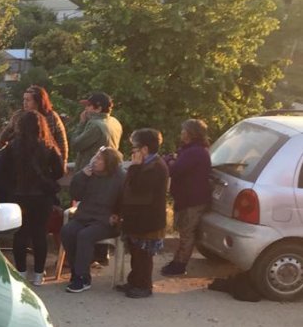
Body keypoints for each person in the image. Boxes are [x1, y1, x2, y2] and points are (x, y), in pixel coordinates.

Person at [0, 111, 64, 285]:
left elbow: (0, 171)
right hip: (42, 197)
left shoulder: (12, 146)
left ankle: (21, 272)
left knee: (21, 234)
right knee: (39, 234)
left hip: (18, 196)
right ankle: (39, 275)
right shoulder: (48, 145)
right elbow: (59, 171)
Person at [113, 128, 169, 299]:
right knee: (136, 253)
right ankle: (134, 281)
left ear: (145, 149)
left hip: (148, 220)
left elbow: (139, 188)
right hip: (136, 219)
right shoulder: (146, 164)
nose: (133, 153)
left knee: (144, 255)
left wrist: (135, 167)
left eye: (135, 149)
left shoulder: (155, 167)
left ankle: (144, 285)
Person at [62, 146, 126, 293]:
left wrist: (118, 215)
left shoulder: (120, 177)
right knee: (68, 231)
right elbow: (76, 195)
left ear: (108, 163)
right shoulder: (88, 174)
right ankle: (76, 271)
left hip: (106, 220)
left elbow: (127, 200)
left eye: (99, 159)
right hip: (85, 216)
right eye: (95, 157)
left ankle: (82, 277)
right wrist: (81, 176)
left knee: (85, 236)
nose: (94, 161)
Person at [162, 119, 211, 275]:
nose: (181, 133)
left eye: (184, 131)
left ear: (191, 134)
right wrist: (171, 159)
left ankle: (180, 264)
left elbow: (174, 169)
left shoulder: (195, 152)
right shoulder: (189, 150)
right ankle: (178, 260)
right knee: (184, 230)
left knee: (187, 232)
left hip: (193, 199)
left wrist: (170, 160)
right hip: (186, 197)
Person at [0, 85, 69, 173]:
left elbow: (62, 143)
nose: (24, 103)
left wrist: (61, 165)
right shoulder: (18, 116)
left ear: (38, 101)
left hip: (44, 163)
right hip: (21, 163)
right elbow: (3, 136)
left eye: (28, 100)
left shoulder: (52, 117)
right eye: (24, 99)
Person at [71, 92, 123, 170]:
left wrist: (81, 123)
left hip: (93, 173)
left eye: (89, 106)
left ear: (98, 109)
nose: (86, 109)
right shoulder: (115, 122)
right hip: (109, 170)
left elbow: (76, 145)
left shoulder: (95, 125)